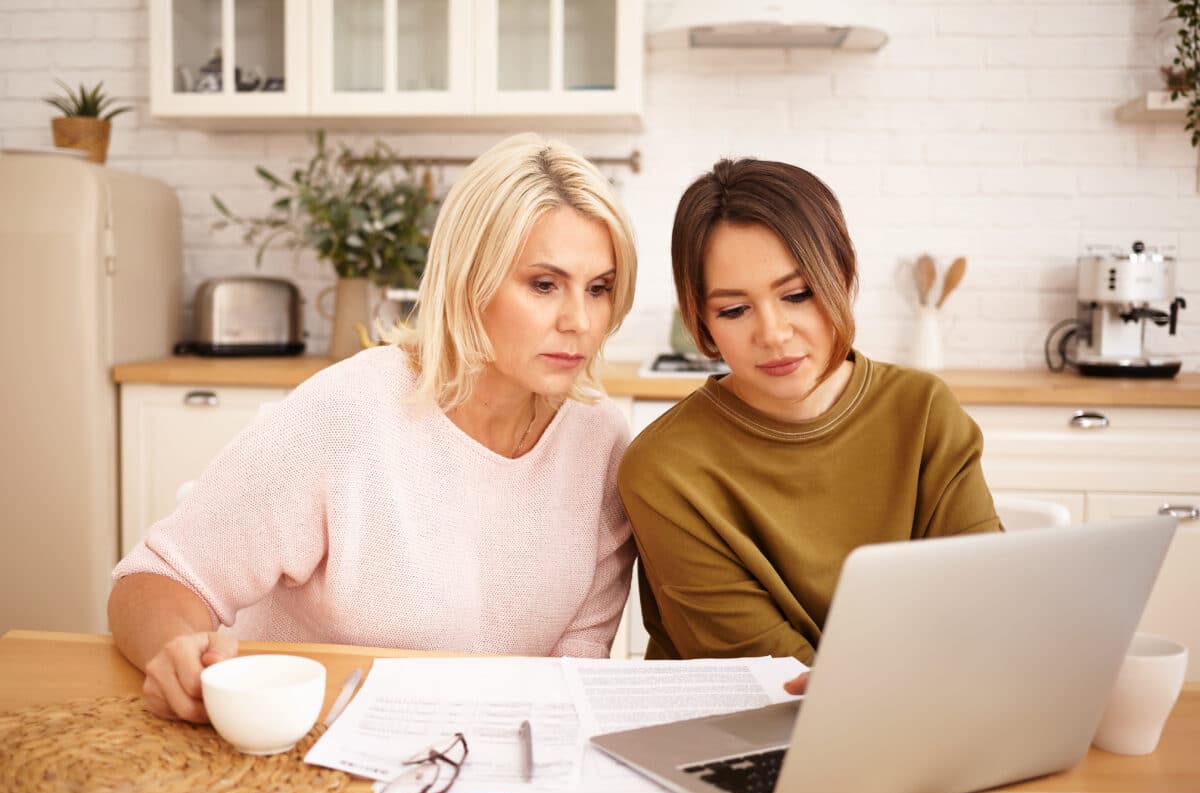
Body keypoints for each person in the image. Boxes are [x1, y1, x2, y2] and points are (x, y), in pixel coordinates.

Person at [109, 133, 639, 723]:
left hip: (478, 756)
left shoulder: (602, 442)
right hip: (306, 747)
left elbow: (576, 669)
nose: (580, 321)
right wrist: (177, 653)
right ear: (470, 279)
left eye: (599, 288)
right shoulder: (348, 412)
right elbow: (161, 576)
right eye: (544, 285)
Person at [618, 158, 1000, 671]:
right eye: (734, 310)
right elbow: (771, 676)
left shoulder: (924, 411)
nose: (773, 333)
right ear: (701, 320)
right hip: (741, 731)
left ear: (841, 275)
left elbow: (985, 602)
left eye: (797, 295)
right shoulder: (664, 467)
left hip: (917, 717)